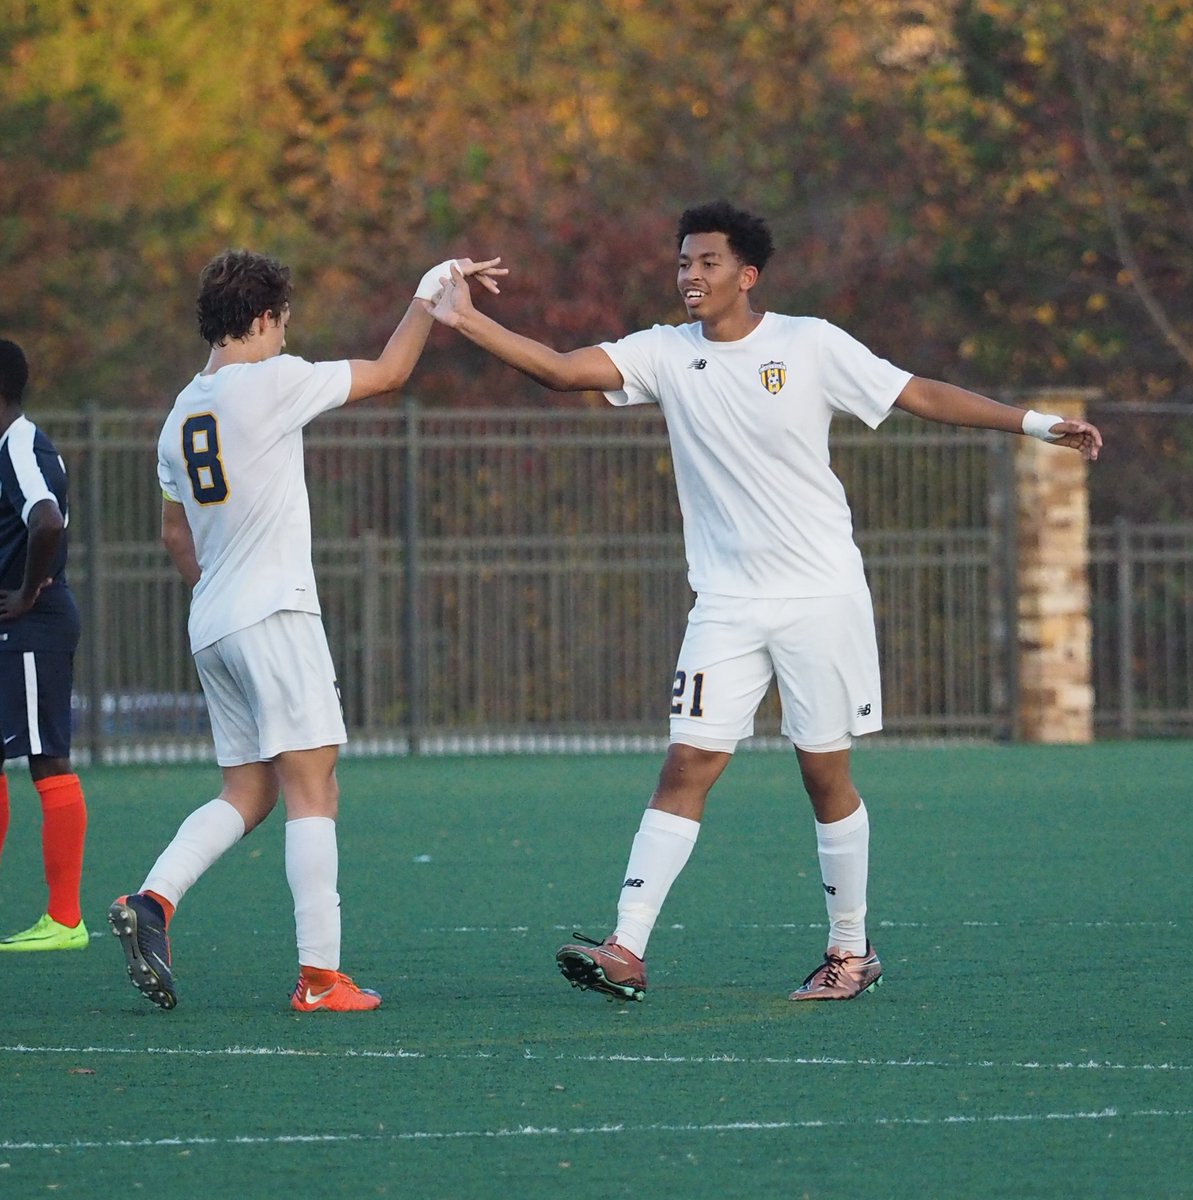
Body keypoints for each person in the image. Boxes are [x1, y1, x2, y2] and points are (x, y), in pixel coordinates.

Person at [429, 200, 1103, 1002]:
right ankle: (625, 947)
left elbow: (916, 392)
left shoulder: (808, 343)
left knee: (823, 774)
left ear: (746, 275)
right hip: (724, 605)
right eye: (682, 262)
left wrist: (1034, 424)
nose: (689, 276)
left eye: (707, 263)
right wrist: (462, 317)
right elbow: (559, 369)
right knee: (686, 762)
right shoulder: (663, 353)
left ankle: (850, 952)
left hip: (820, 596)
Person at [109, 248, 505, 1012]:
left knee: (249, 789)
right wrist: (428, 293)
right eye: (283, 322)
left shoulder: (178, 415)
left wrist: (222, 595)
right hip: (274, 613)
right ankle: (320, 979)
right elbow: (390, 372)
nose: (286, 336)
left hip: (212, 622)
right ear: (262, 318)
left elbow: (173, 536)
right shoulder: (272, 380)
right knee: (313, 784)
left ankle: (153, 901)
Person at [0, 339, 90, 953]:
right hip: (16, 625)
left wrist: (29, 592)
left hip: (33, 624)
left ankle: (64, 920)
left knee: (46, 760)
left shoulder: (19, 444)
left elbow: (48, 520)